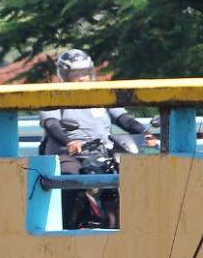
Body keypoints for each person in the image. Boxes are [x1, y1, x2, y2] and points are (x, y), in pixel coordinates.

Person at [39, 49, 156, 225]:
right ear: (64, 75)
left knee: (136, 178)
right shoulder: (55, 94)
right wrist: (69, 141)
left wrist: (144, 132)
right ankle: (63, 227)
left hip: (103, 151)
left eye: (85, 73)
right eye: (75, 74)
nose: (82, 78)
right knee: (69, 178)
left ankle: (134, 225)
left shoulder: (101, 93)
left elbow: (123, 118)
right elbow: (51, 124)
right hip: (71, 153)